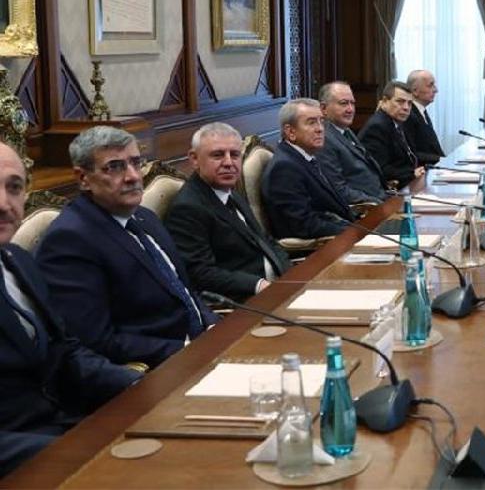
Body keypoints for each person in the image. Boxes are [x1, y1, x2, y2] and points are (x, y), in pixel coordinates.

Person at [0, 141, 141, 476]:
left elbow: (64, 351)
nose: (3, 204)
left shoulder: (18, 259)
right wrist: (71, 451)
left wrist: (139, 385)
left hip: (68, 427)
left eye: (14, 187)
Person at [36, 127, 217, 368]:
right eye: (115, 167)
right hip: (158, 368)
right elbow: (96, 340)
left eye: (135, 162)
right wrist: (187, 349)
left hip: (205, 347)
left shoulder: (144, 217)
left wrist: (212, 326)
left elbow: (184, 291)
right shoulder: (70, 240)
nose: (133, 176)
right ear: (83, 178)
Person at [164, 123, 291, 303]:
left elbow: (264, 239)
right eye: (217, 155)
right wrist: (258, 285)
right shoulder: (188, 208)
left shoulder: (229, 191)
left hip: (278, 286)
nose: (228, 163)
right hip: (245, 301)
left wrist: (290, 273)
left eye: (235, 154)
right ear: (194, 159)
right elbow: (200, 273)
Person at [262, 99, 355, 240]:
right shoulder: (284, 168)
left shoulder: (306, 156)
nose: (320, 129)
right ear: (291, 132)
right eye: (311, 122)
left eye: (321, 121)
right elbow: (303, 225)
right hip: (320, 247)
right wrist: (353, 232)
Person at [317, 81, 387, 203]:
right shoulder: (324, 139)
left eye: (352, 103)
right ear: (324, 108)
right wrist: (377, 203)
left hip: (381, 197)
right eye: (343, 103)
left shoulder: (345, 130)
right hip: (365, 208)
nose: (350, 109)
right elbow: (338, 190)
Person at [358, 81, 426, 188]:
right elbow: (380, 169)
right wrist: (411, 174)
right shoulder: (377, 127)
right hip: (388, 190)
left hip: (407, 183)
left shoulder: (397, 122)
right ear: (385, 101)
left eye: (409, 103)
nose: (406, 107)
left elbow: (410, 156)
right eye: (400, 101)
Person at [403, 69, 445, 165]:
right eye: (430, 85)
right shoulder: (408, 114)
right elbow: (411, 153)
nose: (436, 90)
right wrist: (441, 159)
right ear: (415, 91)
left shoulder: (421, 110)